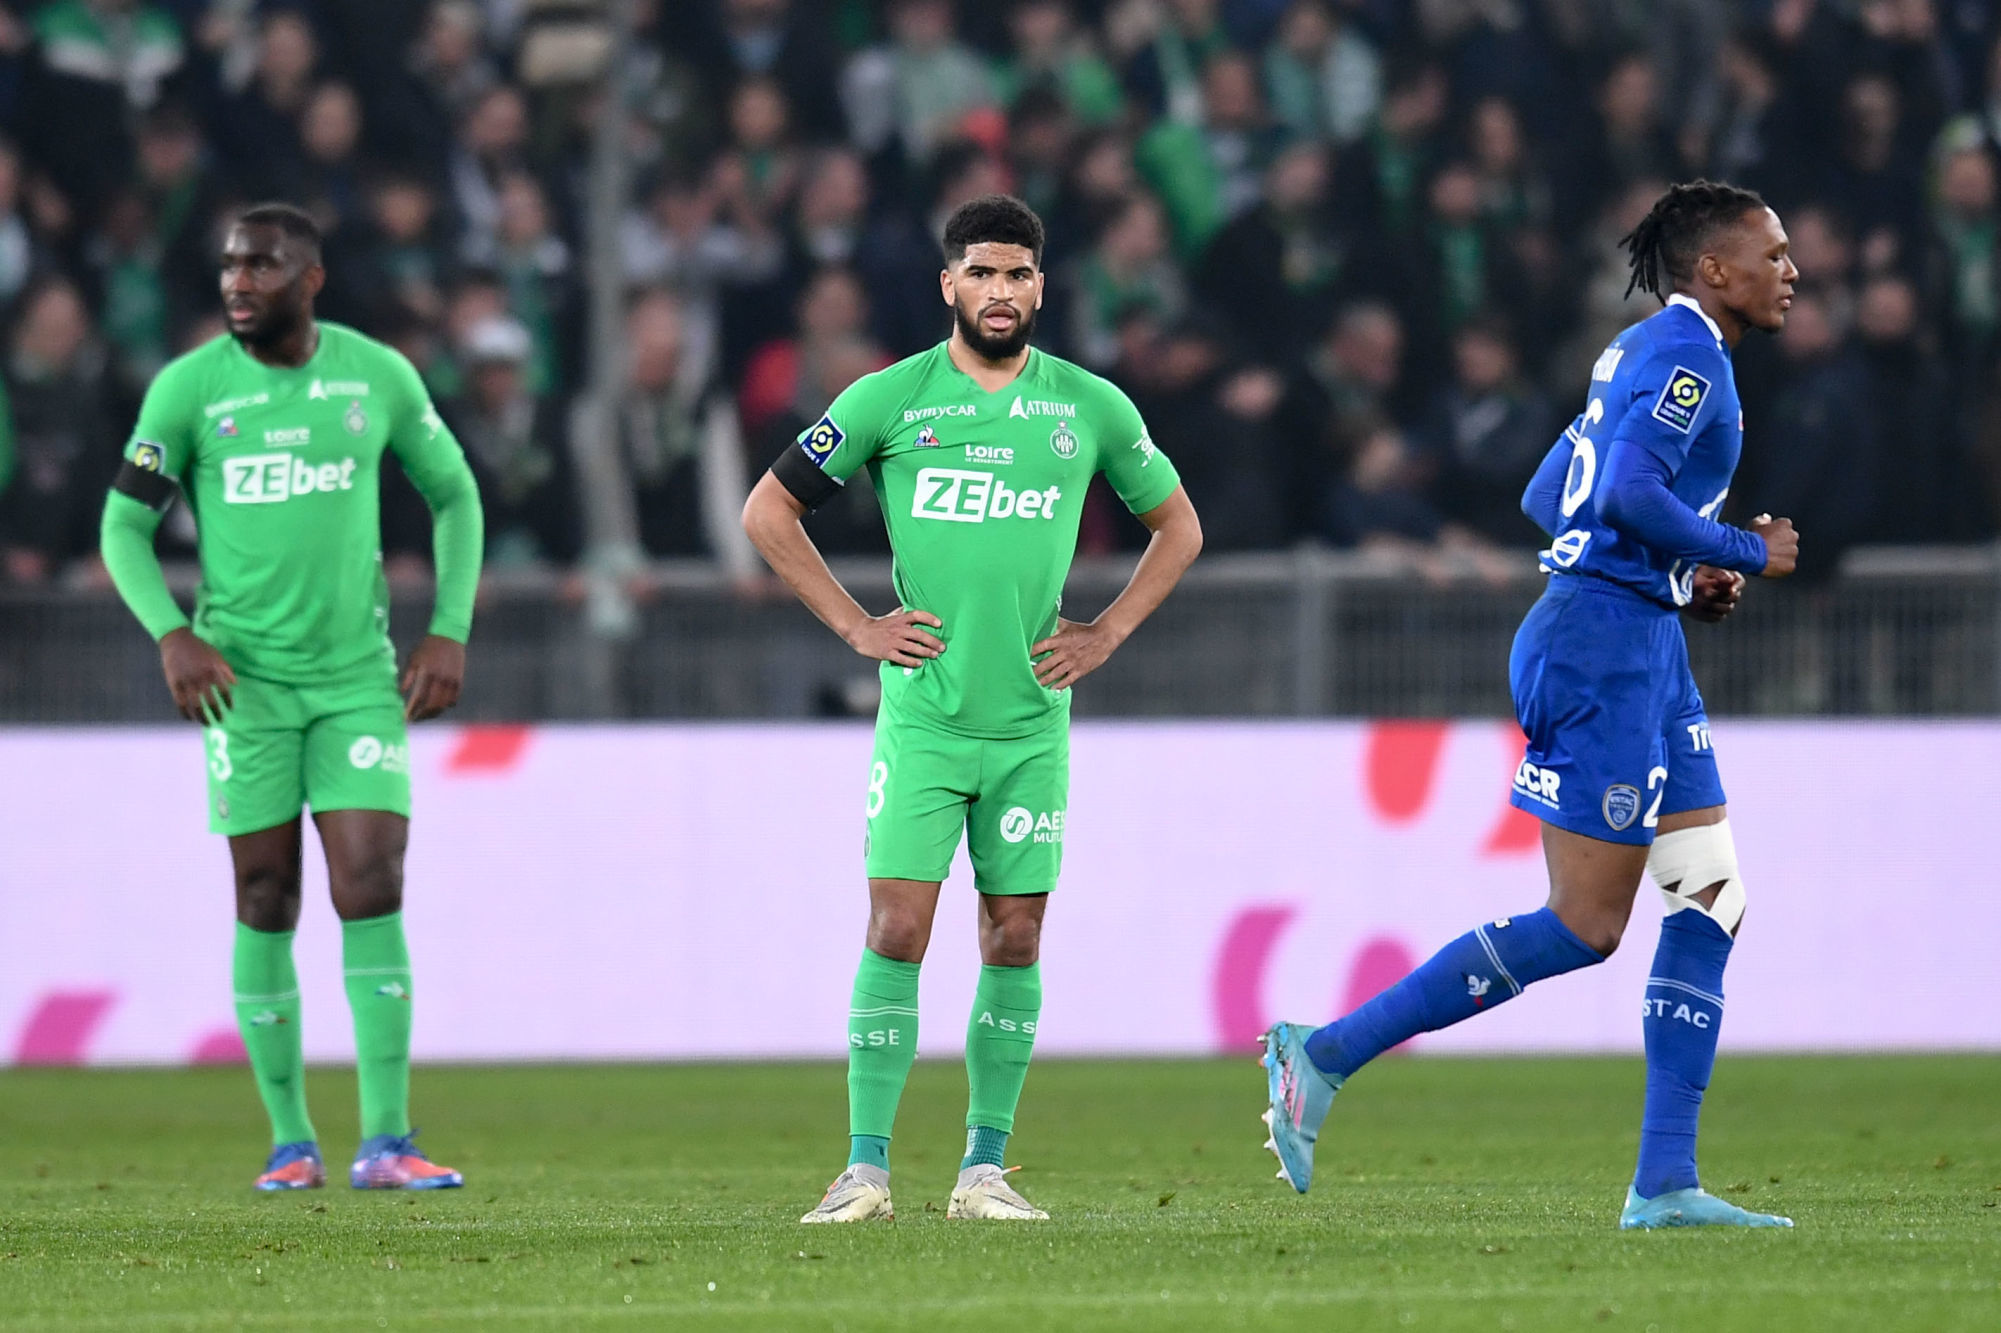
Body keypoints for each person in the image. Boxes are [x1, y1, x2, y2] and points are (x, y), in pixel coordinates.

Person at [1260, 180, 1803, 1230]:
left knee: (1710, 895)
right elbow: (1620, 496)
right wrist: (1743, 550)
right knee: (1589, 923)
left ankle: (1666, 1183)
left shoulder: (1634, 350)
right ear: (1716, 269)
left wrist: (1682, 585)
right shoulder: (1687, 356)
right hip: (1599, 650)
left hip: (1638, 637)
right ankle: (1320, 1055)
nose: (1792, 270)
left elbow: (1548, 490)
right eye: (1772, 252)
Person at [742, 194, 1202, 1223]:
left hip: (1031, 724)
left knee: (1015, 937)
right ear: (949, 284)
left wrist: (1109, 631)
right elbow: (766, 511)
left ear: (1044, 285)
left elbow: (1179, 528)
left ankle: (983, 1170)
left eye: (1021, 274)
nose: (1002, 292)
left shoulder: (1089, 407)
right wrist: (858, 626)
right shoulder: (886, 400)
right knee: (898, 926)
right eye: (983, 274)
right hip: (926, 719)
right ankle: (863, 1169)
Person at [99, 203, 483, 1192]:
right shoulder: (189, 390)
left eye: (261, 267)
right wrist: (172, 633)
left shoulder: (376, 375)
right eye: (230, 266)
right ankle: (290, 1140)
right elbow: (121, 528)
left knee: (371, 876)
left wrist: (449, 627)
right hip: (246, 685)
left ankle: (388, 1138)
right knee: (266, 893)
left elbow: (456, 494)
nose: (238, 282)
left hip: (356, 679)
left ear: (309, 279)